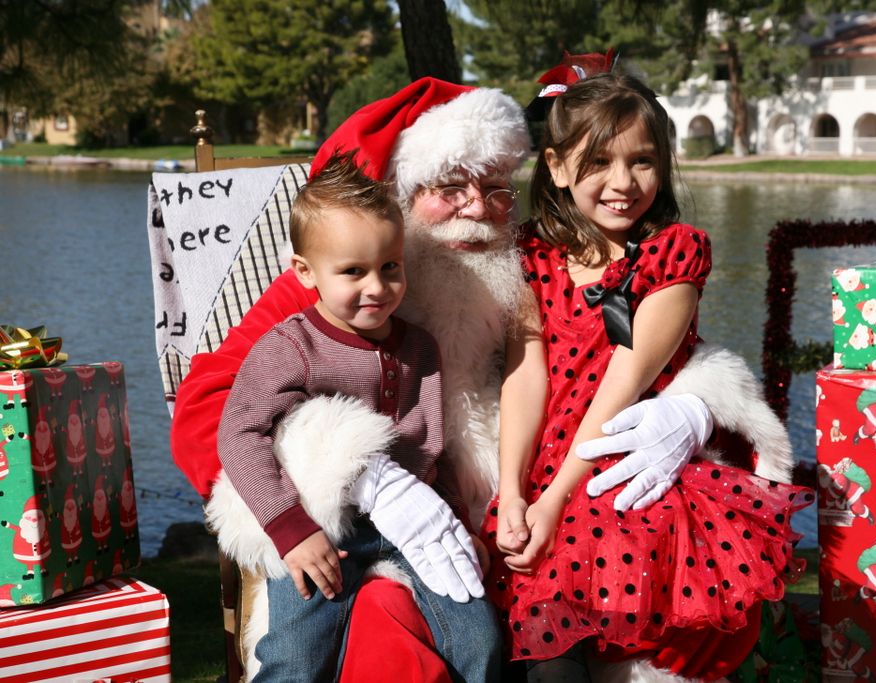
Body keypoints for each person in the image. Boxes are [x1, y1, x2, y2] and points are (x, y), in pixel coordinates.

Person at [171, 76, 797, 682]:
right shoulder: (337, 280)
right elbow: (209, 413)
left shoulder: (521, 262)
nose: (477, 211)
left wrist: (692, 408)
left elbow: (629, 353)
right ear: (400, 192)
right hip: (377, 545)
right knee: (384, 634)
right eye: (449, 187)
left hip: (533, 522)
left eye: (496, 189)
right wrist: (361, 472)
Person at [484, 73, 813, 681]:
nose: (622, 183)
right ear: (556, 167)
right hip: (543, 471)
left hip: (623, 472)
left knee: (603, 652)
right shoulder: (532, 256)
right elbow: (524, 372)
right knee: (539, 655)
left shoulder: (673, 254)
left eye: (642, 162)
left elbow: (625, 379)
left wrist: (555, 501)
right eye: (599, 162)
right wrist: (512, 491)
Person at [212, 151, 496, 682]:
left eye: (390, 267)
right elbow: (239, 434)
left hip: (407, 524)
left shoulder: (420, 349)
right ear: (305, 271)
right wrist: (290, 530)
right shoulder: (290, 346)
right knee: (296, 657)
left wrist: (454, 520)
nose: (377, 287)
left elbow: (432, 448)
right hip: (318, 523)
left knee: (476, 636)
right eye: (353, 272)